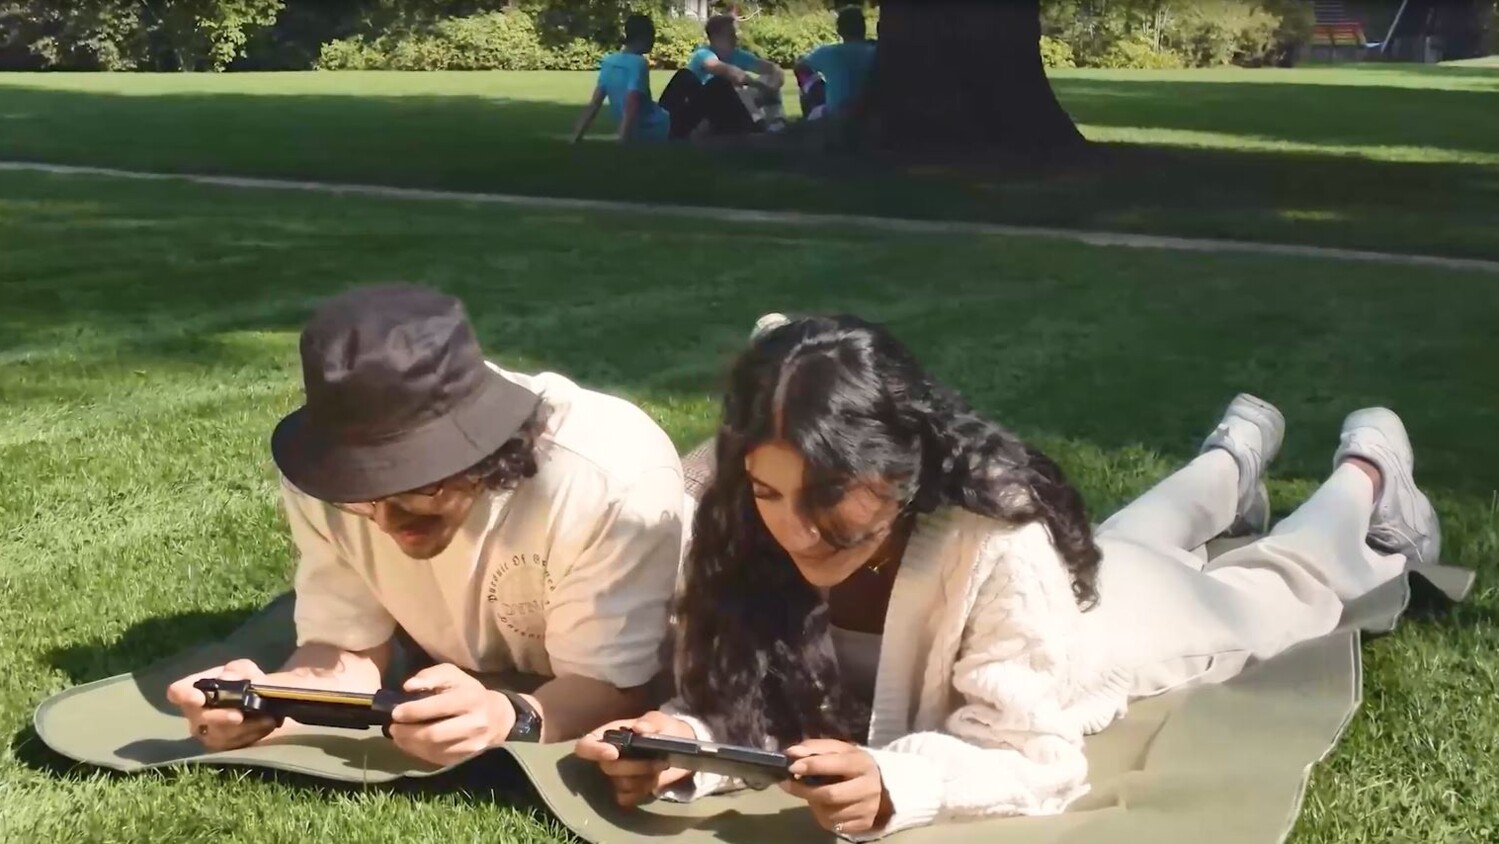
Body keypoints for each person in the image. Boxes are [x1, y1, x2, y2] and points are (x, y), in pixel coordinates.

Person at [575, 313, 1442, 840]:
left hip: (1101, 634)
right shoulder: (741, 519)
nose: (794, 527)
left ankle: (1365, 473)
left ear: (903, 468)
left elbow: (1035, 757)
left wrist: (897, 785)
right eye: (769, 489)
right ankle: (1230, 461)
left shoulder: (997, 538)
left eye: (831, 496)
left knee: (1269, 588)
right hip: (1079, 576)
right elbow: (745, 705)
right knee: (1128, 536)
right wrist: (683, 747)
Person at [166, 285, 687, 767]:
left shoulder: (608, 476)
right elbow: (346, 650)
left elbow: (613, 687)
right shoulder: (324, 485)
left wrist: (511, 716)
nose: (389, 523)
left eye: (421, 485)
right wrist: (276, 702)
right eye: (363, 496)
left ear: (493, 447)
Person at [658, 14, 786, 137]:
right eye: (731, 35)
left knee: (768, 78)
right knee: (736, 87)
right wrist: (761, 87)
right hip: (708, 109)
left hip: (738, 104)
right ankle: (758, 125)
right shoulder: (703, 54)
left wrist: (776, 77)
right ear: (715, 37)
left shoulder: (738, 54)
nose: (736, 38)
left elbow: (771, 67)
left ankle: (777, 122)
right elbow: (727, 71)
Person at [573, 15, 676, 144]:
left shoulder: (609, 61)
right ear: (644, 36)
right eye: (652, 36)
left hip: (638, 126)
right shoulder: (639, 63)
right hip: (655, 127)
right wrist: (623, 139)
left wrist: (577, 136)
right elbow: (632, 101)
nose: (654, 41)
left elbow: (595, 103)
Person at [794, 7, 876, 122]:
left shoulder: (828, 53)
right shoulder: (876, 52)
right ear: (864, 28)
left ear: (839, 30)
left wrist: (819, 85)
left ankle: (810, 119)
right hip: (870, 114)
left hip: (835, 115)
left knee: (804, 76)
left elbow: (800, 67)